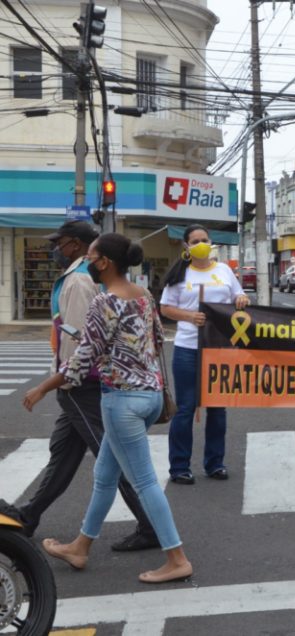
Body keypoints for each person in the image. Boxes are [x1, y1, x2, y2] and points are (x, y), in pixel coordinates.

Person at [22, 233, 192, 584]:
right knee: (104, 476)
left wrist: (42, 387)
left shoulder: (104, 303)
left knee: (144, 481)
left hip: (122, 400)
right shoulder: (144, 296)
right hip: (150, 396)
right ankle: (80, 547)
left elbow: (82, 361)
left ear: (105, 263)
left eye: (91, 258)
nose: (88, 263)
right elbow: (158, 340)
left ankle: (176, 558)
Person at [0, 222, 159, 552]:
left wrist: (55, 383)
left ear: (76, 246)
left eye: (60, 243)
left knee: (112, 456)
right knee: (64, 453)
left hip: (81, 385)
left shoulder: (78, 282)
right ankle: (30, 514)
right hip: (81, 383)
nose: (55, 249)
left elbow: (81, 342)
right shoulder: (82, 279)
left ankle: (151, 525)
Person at [160, 225, 249, 485]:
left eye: (205, 240)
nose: (201, 244)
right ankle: (179, 466)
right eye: (195, 241)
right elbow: (165, 308)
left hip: (218, 348)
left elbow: (238, 294)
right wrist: (189, 316)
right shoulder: (180, 274)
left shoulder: (223, 271)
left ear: (211, 243)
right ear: (186, 246)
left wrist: (242, 298)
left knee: (218, 408)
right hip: (187, 347)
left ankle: (215, 463)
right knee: (185, 408)